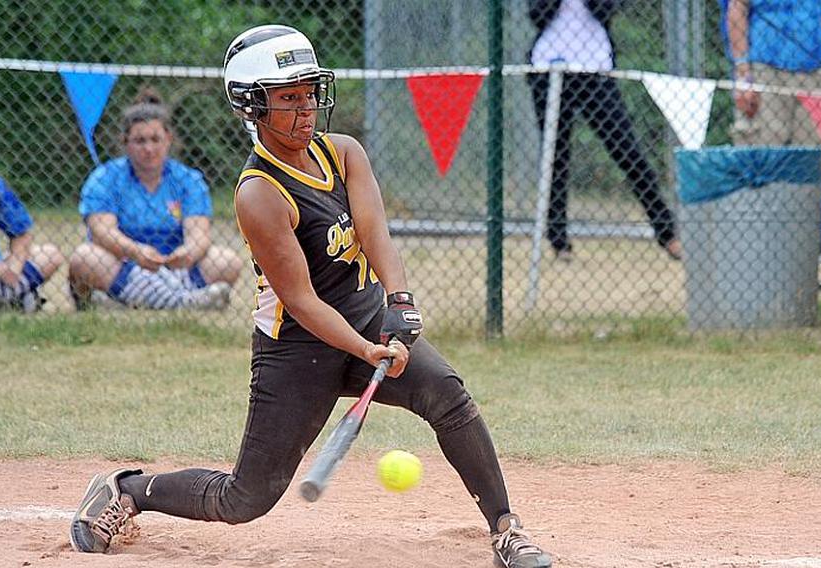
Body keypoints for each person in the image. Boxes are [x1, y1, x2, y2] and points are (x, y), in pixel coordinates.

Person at [68, 25, 553, 568]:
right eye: (287, 99)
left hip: (367, 318)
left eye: (308, 93)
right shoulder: (260, 194)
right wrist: (367, 351)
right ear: (252, 107)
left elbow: (374, 235)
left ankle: (507, 529)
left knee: (447, 394)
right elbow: (300, 300)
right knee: (245, 499)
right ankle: (130, 488)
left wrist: (400, 300)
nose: (305, 110)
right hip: (297, 350)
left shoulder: (343, 153)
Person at [527, 0, 682, 261]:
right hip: (549, 68)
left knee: (627, 150)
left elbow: (605, 9)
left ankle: (667, 233)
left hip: (595, 68)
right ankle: (558, 240)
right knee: (555, 157)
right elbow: (537, 14)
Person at [68, 88, 242, 310]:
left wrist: (188, 254)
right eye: (140, 141)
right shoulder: (105, 177)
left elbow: (199, 235)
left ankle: (130, 301)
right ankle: (183, 301)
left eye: (155, 139)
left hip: (174, 266)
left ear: (168, 139)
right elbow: (102, 231)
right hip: (123, 263)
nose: (149, 148)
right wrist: (136, 252)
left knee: (226, 261)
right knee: (85, 257)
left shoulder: (188, 179)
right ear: (125, 142)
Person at [725, 0, 821, 255]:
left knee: (811, 165)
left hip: (816, 68)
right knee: (762, 156)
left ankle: (803, 258)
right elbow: (738, 9)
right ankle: (754, 249)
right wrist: (743, 74)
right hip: (765, 66)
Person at [0, 146, 63, 312]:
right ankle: (16, 299)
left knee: (49, 255)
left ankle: (4, 298)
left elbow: (21, 235)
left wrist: (14, 268)